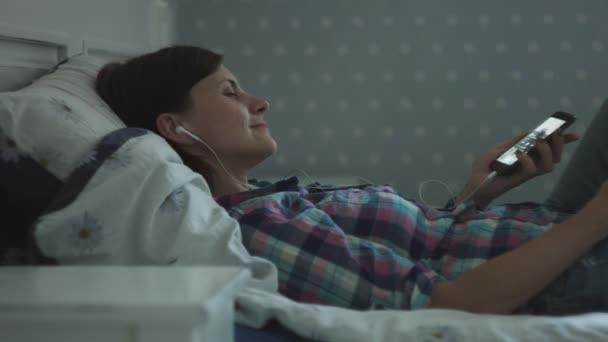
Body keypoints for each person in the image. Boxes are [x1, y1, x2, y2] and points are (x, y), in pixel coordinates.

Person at [95, 45, 608, 315]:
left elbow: (426, 247)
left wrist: (482, 189)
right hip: (575, 264)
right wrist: (591, 224)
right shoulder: (256, 231)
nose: (259, 102)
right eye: (231, 93)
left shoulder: (276, 195)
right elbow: (454, 303)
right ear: (175, 127)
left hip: (549, 225)